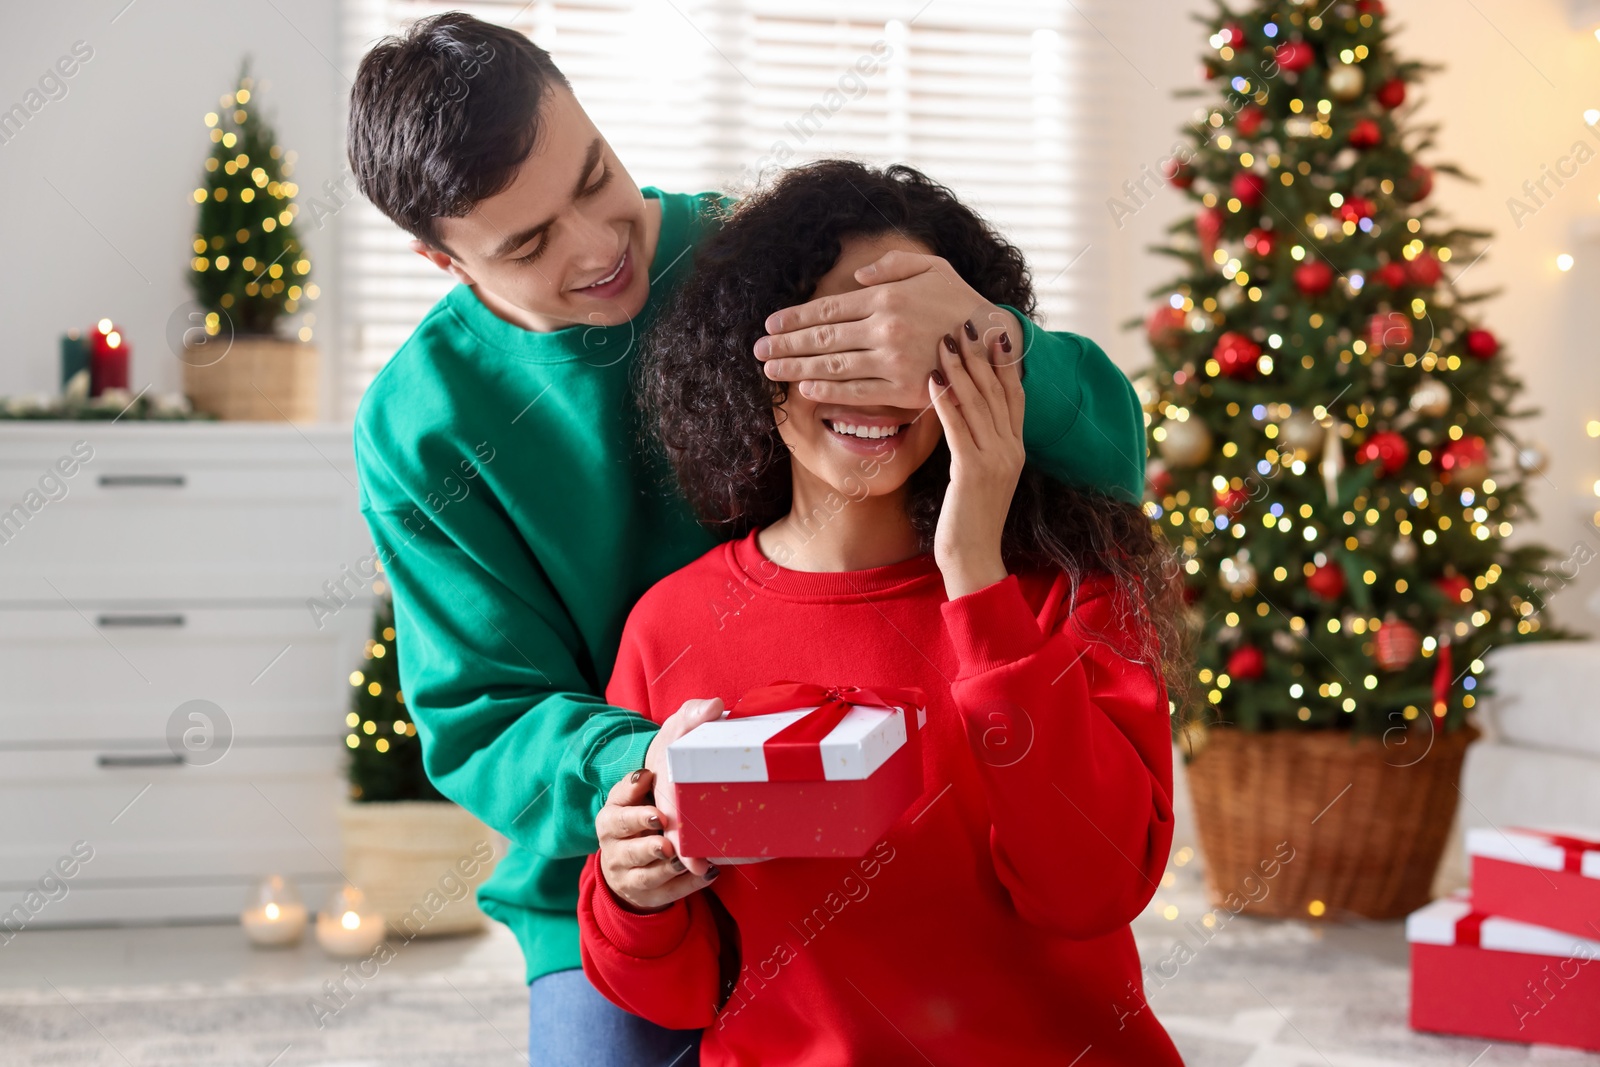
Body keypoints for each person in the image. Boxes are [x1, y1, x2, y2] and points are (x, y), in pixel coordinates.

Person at [346, 13, 1150, 1066]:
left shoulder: (759, 256)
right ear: (436, 258)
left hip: (906, 784)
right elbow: (481, 711)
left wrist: (979, 335)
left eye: (595, 176)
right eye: (529, 242)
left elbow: (1107, 459)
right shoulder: (418, 427)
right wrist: (656, 778)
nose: (596, 246)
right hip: (632, 848)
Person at [579, 160, 1185, 1065]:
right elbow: (680, 987)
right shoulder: (671, 626)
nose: (876, 385)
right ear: (747, 355)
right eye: (835, 339)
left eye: (911, 344)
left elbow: (1091, 888)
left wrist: (975, 573)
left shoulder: (1065, 589)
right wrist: (630, 890)